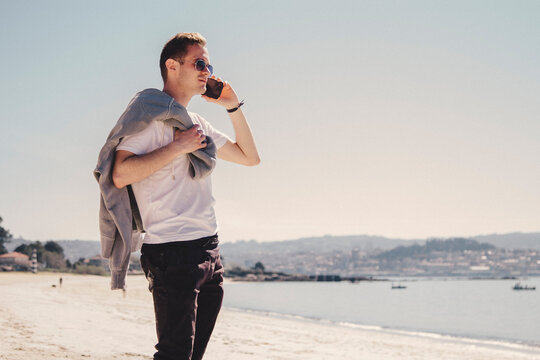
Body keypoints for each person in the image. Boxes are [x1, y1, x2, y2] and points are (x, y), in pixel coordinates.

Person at [111, 33, 259, 360]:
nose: (207, 71)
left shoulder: (198, 124)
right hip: (171, 252)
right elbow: (120, 174)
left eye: (209, 64)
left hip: (209, 249)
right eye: (200, 63)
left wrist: (232, 106)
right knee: (174, 355)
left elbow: (250, 157)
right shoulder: (147, 117)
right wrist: (177, 147)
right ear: (172, 66)